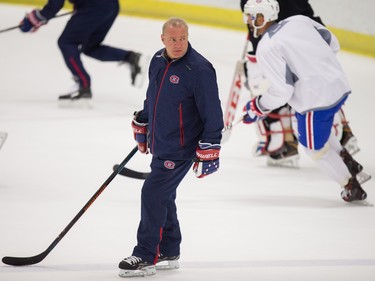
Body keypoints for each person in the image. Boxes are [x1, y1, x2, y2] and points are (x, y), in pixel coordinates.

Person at [118, 17, 224, 277]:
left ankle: (145, 255)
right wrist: (144, 120)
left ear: (188, 37)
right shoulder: (157, 59)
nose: (178, 44)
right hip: (161, 142)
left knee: (152, 193)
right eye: (173, 39)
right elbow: (153, 96)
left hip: (181, 148)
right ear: (163, 39)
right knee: (164, 197)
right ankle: (169, 249)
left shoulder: (199, 69)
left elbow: (213, 114)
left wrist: (210, 146)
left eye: (183, 39)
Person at [242, 0, 368, 202]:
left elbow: (282, 91)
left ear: (266, 17)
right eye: (248, 16)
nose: (249, 21)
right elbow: (331, 41)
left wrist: (258, 106)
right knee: (305, 126)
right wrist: (317, 66)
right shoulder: (298, 20)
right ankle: (347, 160)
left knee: (312, 146)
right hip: (338, 84)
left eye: (254, 16)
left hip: (315, 100)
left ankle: (350, 186)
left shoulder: (266, 46)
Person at [19, 0, 149, 106]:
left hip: (94, 7)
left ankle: (83, 86)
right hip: (111, 5)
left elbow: (55, 4)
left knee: (66, 42)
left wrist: (34, 19)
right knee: (90, 47)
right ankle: (132, 58)